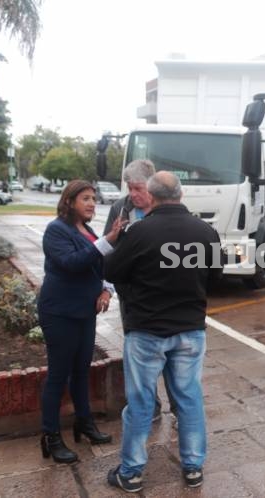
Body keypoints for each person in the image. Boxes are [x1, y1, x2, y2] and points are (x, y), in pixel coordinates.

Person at [104, 172, 221, 492]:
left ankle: (131, 473)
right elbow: (216, 275)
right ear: (181, 195)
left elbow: (112, 271)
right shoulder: (206, 231)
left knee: (140, 403)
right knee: (189, 399)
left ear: (152, 198)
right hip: (190, 330)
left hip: (146, 332)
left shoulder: (139, 232)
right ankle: (193, 466)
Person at [37, 180, 125, 463]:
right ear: (69, 201)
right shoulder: (56, 231)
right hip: (59, 313)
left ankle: (84, 423)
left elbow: (97, 265)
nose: (91, 204)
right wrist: (106, 242)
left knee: (81, 371)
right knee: (58, 376)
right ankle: (50, 437)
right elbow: (72, 263)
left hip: (85, 312)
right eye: (85, 198)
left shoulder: (86, 230)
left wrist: (105, 288)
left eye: (93, 199)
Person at [103, 159, 176, 419]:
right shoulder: (120, 208)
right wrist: (107, 288)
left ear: (152, 187)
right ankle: (150, 407)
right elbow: (109, 250)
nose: (132, 195)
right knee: (138, 355)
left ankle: (178, 409)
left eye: (138, 189)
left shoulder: (167, 208)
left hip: (166, 295)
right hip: (132, 297)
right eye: (129, 188)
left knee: (172, 355)